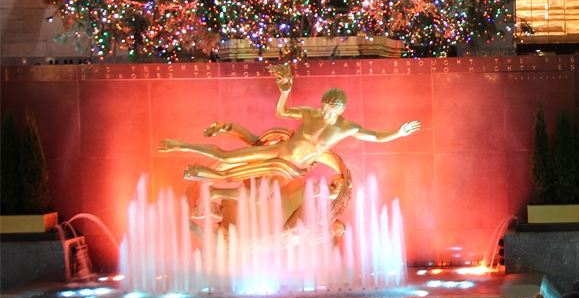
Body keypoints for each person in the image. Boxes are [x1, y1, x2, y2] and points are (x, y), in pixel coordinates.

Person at [158, 62, 420, 182]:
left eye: (331, 111)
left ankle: (198, 173)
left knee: (235, 177)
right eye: (325, 108)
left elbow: (374, 136)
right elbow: (282, 113)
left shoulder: (345, 127)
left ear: (341, 110)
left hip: (295, 168)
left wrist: (398, 133)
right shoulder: (309, 113)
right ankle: (179, 145)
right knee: (226, 158)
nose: (326, 113)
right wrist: (284, 91)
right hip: (280, 152)